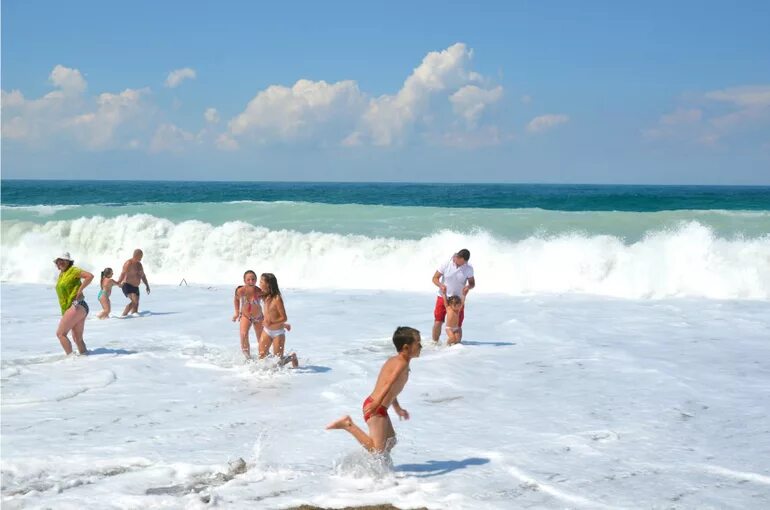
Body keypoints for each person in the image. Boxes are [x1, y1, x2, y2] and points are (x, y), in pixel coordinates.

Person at [326, 326, 422, 453]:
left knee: (391, 441)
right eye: (418, 343)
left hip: (379, 407)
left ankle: (380, 471)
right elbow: (388, 383)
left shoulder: (396, 361)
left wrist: (397, 408)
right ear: (406, 347)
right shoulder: (401, 364)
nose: (421, 346)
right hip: (376, 408)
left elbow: (392, 389)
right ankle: (348, 425)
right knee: (377, 450)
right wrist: (377, 403)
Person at [53, 252, 94, 355]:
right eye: (58, 262)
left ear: (68, 261)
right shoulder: (62, 274)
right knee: (77, 338)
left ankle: (70, 360)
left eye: (62, 261)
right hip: (75, 307)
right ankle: (86, 358)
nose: (60, 263)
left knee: (60, 334)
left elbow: (89, 276)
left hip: (76, 304)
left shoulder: (73, 270)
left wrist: (80, 290)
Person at [431, 248, 475, 343]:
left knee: (458, 325)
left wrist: (468, 287)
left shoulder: (468, 268)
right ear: (457, 257)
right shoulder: (446, 264)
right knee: (438, 321)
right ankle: (434, 343)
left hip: (458, 299)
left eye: (464, 263)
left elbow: (472, 283)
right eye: (460, 262)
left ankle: (455, 348)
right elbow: (434, 278)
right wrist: (440, 285)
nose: (462, 264)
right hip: (443, 296)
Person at [258, 273, 297, 368]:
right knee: (261, 356)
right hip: (267, 330)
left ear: (268, 284)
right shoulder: (264, 296)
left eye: (261, 282)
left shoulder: (277, 299)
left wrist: (272, 323)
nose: (259, 284)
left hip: (278, 333)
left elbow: (284, 317)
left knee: (277, 364)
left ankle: (292, 357)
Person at [232, 270, 264, 360]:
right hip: (246, 316)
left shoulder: (259, 291)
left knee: (261, 338)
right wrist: (236, 313)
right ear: (244, 280)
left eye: (253, 279)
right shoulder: (241, 290)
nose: (251, 281)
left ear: (256, 280)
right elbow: (236, 299)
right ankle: (247, 358)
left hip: (258, 317)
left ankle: (264, 357)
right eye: (248, 279)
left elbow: (268, 302)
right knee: (243, 334)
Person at [117, 249, 150, 317]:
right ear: (136, 255)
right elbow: (123, 274)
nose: (142, 257)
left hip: (135, 287)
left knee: (136, 304)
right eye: (141, 256)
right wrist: (118, 282)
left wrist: (147, 285)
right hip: (127, 285)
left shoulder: (139, 265)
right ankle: (123, 316)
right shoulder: (128, 263)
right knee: (134, 302)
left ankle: (134, 319)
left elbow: (143, 276)